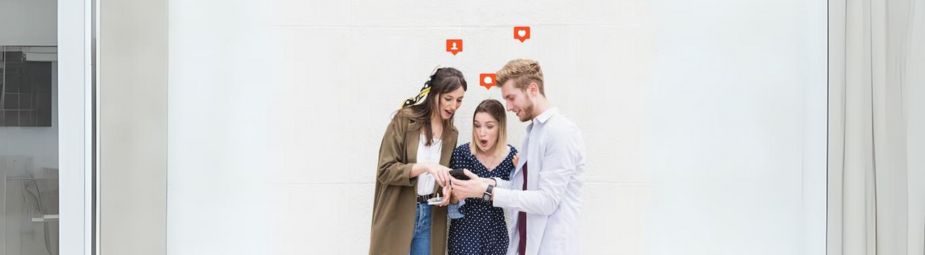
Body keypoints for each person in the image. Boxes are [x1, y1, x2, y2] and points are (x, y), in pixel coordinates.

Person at [451, 59, 587, 255]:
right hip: (527, 245)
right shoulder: (533, 133)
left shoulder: (561, 132)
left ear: (532, 89)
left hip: (552, 246)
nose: (508, 106)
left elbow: (547, 201)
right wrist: (484, 183)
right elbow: (523, 190)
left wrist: (486, 191)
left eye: (511, 98)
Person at [370, 67, 467, 255]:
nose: (454, 106)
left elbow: (443, 174)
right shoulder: (404, 120)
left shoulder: (451, 134)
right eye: (448, 98)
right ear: (434, 94)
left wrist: (447, 189)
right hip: (398, 212)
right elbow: (385, 170)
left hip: (431, 216)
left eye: (459, 100)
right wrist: (426, 167)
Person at [447, 99, 518, 255]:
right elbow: (451, 202)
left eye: (489, 126)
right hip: (465, 233)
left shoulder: (512, 157)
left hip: (497, 234)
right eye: (477, 125)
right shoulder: (462, 154)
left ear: (500, 127)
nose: (481, 133)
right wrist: (454, 196)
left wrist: (522, 171)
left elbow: (518, 197)